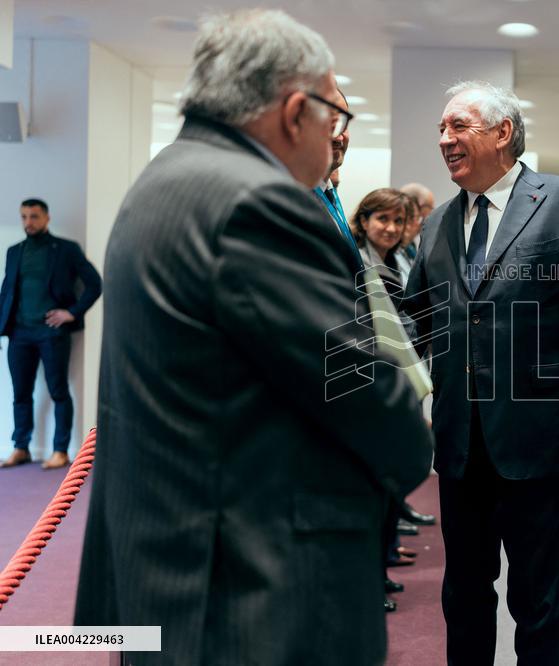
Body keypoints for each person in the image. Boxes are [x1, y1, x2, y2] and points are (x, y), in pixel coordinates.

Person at [73, 10, 432, 665]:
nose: (333, 139)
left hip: (174, 563)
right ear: (296, 111)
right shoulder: (255, 204)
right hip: (250, 586)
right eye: (333, 119)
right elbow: (361, 392)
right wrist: (411, 443)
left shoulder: (167, 179)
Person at [401, 80, 559, 664]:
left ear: (503, 133)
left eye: (459, 127)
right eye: (441, 130)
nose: (445, 140)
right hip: (458, 444)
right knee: (464, 594)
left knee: (537, 597)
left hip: (537, 441)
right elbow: (417, 327)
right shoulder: (436, 224)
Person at [0, 199, 102, 470]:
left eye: (34, 216)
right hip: (19, 333)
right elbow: (7, 292)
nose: (28, 222)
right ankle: (21, 447)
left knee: (58, 391)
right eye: (23, 216)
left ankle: (60, 450)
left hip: (51, 333)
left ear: (47, 218)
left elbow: (94, 283)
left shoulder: (66, 250)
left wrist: (71, 312)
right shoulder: (14, 252)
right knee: (21, 393)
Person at [351, 188, 409, 296]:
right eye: (383, 219)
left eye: (398, 221)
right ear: (364, 221)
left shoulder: (401, 260)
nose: (392, 229)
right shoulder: (356, 263)